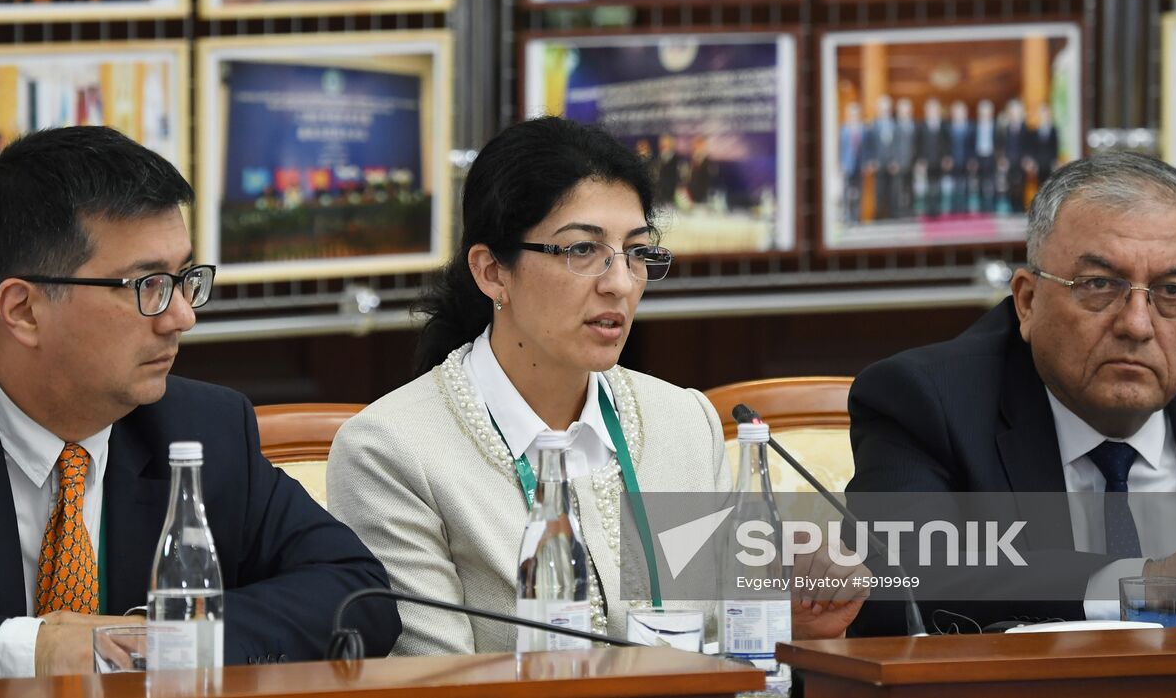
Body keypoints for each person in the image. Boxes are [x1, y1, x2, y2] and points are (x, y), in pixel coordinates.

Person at [0, 126, 399, 684]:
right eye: (148, 284)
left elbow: (356, 591)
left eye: (184, 279)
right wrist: (33, 650)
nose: (181, 317)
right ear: (23, 310)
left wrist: (152, 639)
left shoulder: (203, 429)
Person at [326, 118, 864, 655]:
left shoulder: (683, 422)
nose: (621, 283)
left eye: (636, 252)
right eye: (583, 251)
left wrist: (787, 625)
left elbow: (729, 651)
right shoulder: (391, 452)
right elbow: (436, 686)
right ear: (492, 272)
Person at [846, 152, 1176, 635]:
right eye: (1099, 285)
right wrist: (1151, 581)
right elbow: (891, 588)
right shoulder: (930, 400)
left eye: (1173, 291)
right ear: (1027, 301)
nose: (1136, 325)